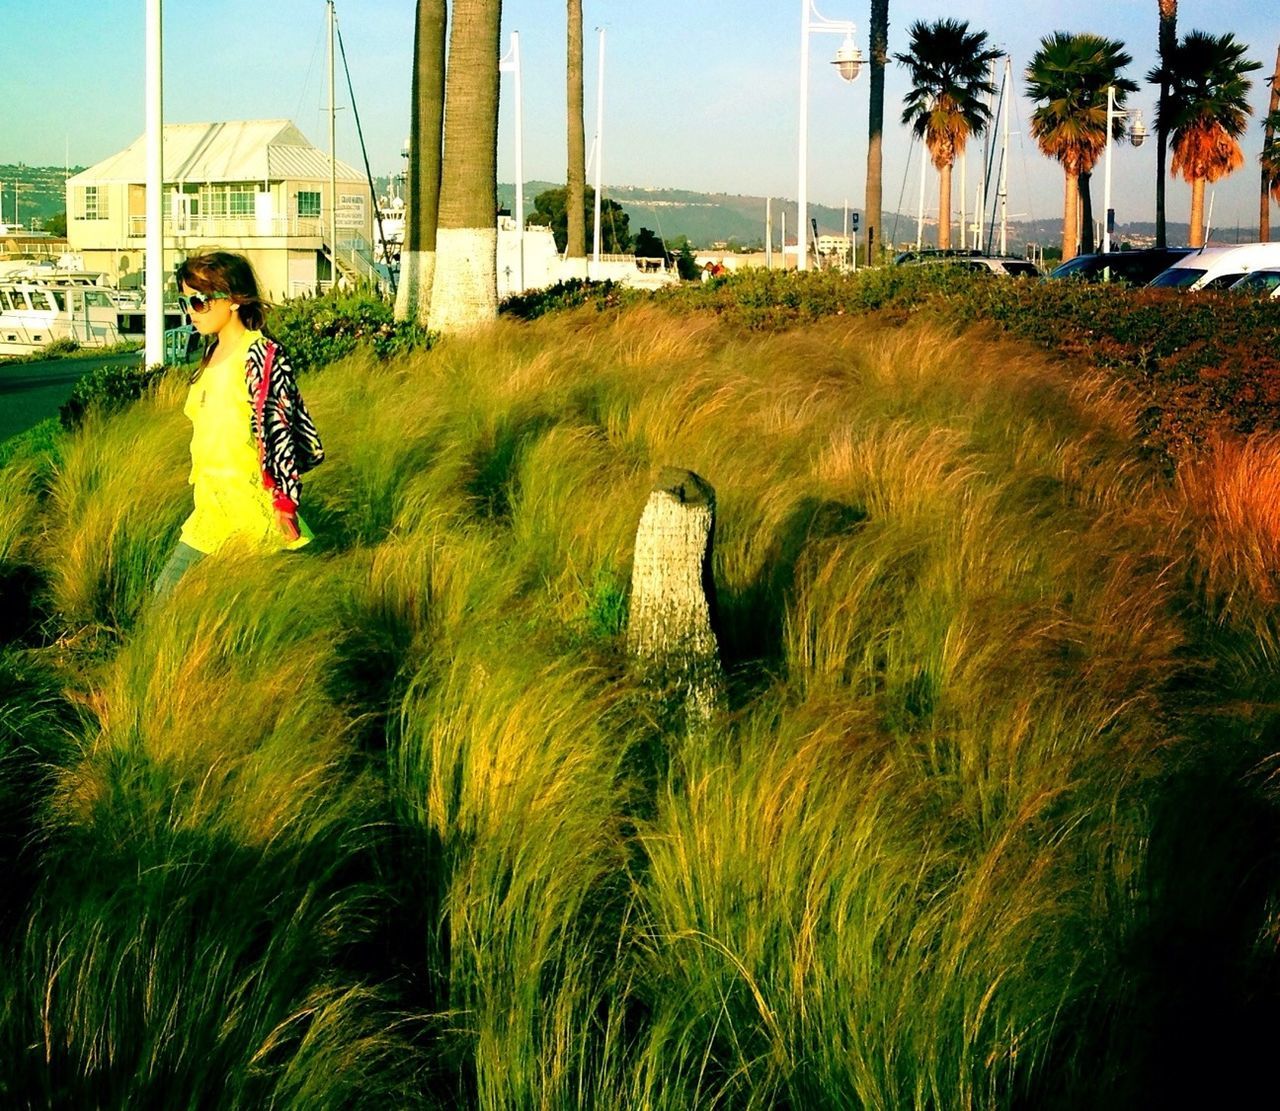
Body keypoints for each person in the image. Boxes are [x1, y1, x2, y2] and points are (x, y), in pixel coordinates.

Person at [153, 250, 324, 599]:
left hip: (253, 511)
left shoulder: (260, 356)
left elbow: (280, 437)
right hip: (211, 510)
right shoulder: (209, 355)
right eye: (185, 301)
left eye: (199, 301)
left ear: (231, 300)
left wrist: (286, 506)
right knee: (166, 600)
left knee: (258, 610)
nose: (190, 311)